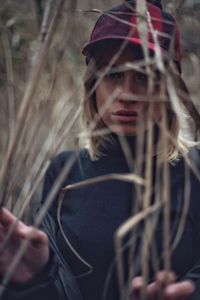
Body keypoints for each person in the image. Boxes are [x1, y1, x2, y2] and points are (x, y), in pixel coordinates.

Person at [0, 0, 200, 299]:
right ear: (92, 84)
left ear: (170, 89)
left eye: (143, 76)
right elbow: (56, 290)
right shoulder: (64, 171)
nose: (127, 94)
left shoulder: (194, 171)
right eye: (114, 75)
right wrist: (33, 277)